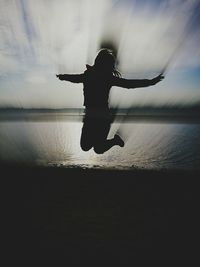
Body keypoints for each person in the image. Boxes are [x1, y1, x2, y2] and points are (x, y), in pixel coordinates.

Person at [56, 49, 164, 154]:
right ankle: (111, 141)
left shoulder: (107, 78)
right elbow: (75, 78)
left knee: (98, 149)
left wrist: (150, 82)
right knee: (85, 147)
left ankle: (115, 141)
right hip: (89, 116)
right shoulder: (88, 75)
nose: (109, 67)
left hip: (103, 118)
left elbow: (129, 84)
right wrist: (63, 77)